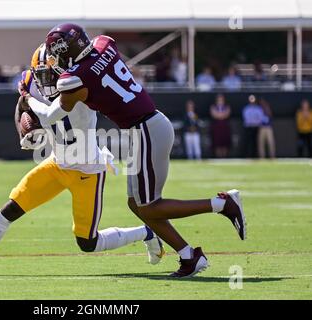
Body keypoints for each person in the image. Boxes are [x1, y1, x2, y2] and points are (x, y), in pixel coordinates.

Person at [22, 23, 247, 278]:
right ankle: (188, 255)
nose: (56, 60)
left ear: (66, 50)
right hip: (146, 126)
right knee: (136, 204)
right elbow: (101, 61)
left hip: (146, 130)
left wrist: (28, 99)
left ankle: (221, 204)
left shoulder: (74, 78)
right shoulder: (103, 43)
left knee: (150, 207)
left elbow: (51, 116)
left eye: (57, 53)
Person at [0, 44, 163, 276]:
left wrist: (29, 100)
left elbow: (47, 113)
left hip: (87, 170)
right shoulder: (33, 80)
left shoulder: (79, 85)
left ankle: (147, 232)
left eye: (52, 73)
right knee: (11, 208)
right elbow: (21, 106)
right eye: (43, 74)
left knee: (87, 243)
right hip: (56, 162)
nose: (48, 79)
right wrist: (24, 132)